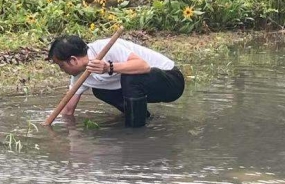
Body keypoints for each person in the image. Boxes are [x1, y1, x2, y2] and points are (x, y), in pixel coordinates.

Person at [48, 34, 185, 127]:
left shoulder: (105, 47)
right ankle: (141, 117)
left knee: (130, 76)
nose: (62, 70)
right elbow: (67, 110)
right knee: (100, 91)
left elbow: (143, 66)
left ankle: (135, 130)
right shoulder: (79, 77)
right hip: (142, 88)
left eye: (61, 66)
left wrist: (109, 67)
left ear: (73, 60)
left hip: (171, 81)